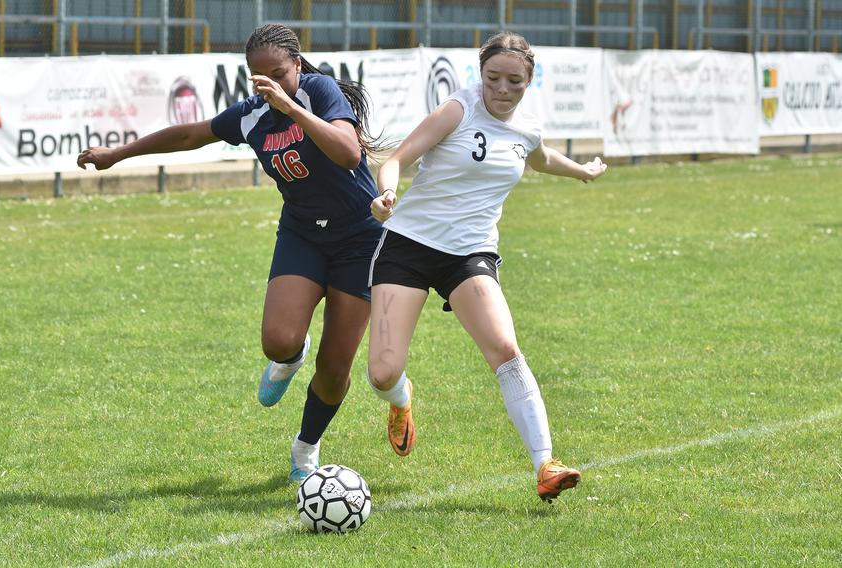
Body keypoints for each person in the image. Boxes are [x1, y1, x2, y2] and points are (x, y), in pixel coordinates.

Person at [77, 24, 383, 483]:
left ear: (298, 65)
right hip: (303, 233)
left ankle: (305, 450)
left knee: (335, 365)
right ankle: (290, 355)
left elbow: (348, 154)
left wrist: (293, 109)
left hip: (360, 237)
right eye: (258, 77)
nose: (268, 85)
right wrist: (116, 154)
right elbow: (188, 136)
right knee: (278, 341)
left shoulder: (319, 91)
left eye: (278, 74)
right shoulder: (252, 114)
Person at [366, 31, 607, 503]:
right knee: (381, 372)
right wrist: (388, 193)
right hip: (409, 244)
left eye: (514, 81)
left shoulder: (526, 127)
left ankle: (546, 463)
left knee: (504, 346)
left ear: (530, 80)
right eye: (493, 77)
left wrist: (583, 171)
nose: (502, 88)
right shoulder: (457, 109)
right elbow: (396, 159)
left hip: (471, 253)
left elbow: (541, 158)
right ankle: (401, 400)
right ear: (480, 75)